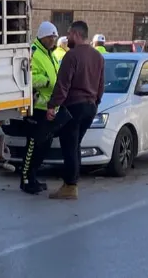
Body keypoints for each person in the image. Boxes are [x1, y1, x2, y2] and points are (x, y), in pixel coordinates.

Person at [46, 20, 105, 200]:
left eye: (70, 34)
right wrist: (96, 102)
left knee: (69, 146)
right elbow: (101, 85)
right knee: (75, 145)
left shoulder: (71, 56)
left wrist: (52, 106)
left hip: (74, 107)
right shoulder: (98, 57)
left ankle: (70, 186)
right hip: (90, 107)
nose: (68, 37)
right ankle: (71, 183)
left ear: (77, 34)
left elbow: (63, 85)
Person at [20, 21, 60, 194]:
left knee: (44, 145)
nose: (54, 40)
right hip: (37, 107)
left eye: (55, 37)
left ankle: (33, 176)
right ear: (43, 36)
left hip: (48, 107)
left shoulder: (49, 53)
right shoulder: (34, 53)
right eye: (51, 37)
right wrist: (48, 81)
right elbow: (29, 78)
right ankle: (26, 179)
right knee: (33, 145)